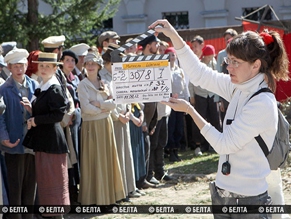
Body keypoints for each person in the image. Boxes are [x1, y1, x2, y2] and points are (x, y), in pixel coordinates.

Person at [150, 19, 289, 219]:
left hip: (249, 201)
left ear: (255, 65)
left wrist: (190, 110)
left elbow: (224, 145)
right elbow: (200, 75)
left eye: (236, 62)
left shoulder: (261, 102)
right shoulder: (239, 87)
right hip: (223, 192)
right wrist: (174, 36)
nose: (229, 67)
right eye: (229, 60)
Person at [23, 52, 70, 218]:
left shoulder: (54, 87)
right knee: (46, 186)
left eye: (47, 66)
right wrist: (32, 109)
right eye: (41, 65)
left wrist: (36, 120)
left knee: (53, 186)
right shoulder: (43, 86)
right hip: (44, 141)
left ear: (55, 68)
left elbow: (58, 115)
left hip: (52, 142)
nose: (43, 69)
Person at [77, 52, 125, 205]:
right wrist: (104, 108)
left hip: (106, 125)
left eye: (93, 63)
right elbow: (86, 108)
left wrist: (100, 105)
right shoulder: (82, 85)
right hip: (91, 127)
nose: (90, 66)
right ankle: (95, 200)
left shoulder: (104, 82)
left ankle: (109, 198)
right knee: (94, 161)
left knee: (107, 160)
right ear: (84, 66)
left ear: (98, 66)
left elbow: (114, 103)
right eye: (88, 63)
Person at [0, 48, 38, 219]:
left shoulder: (35, 86)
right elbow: (0, 117)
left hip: (33, 145)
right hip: (13, 145)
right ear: (9, 67)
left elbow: (42, 113)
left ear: (26, 65)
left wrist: (32, 108)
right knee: (15, 190)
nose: (19, 69)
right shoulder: (3, 89)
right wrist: (4, 138)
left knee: (30, 189)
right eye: (15, 66)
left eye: (22, 65)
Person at [165, 47, 189, 162]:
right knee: (171, 126)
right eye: (169, 55)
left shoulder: (180, 70)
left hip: (179, 100)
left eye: (173, 55)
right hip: (169, 102)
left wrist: (186, 101)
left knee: (179, 126)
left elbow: (184, 87)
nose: (171, 57)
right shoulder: (164, 70)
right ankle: (171, 150)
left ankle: (176, 149)